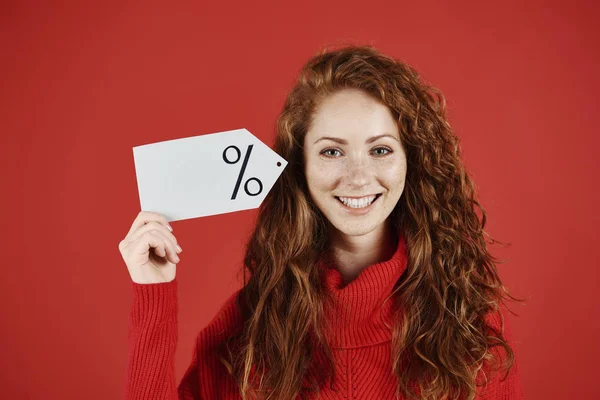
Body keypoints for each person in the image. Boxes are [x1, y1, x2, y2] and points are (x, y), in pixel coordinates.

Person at [119, 44, 526, 400]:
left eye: (381, 150)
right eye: (332, 152)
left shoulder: (466, 326)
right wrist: (153, 296)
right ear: (300, 166)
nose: (358, 177)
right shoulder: (250, 327)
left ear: (410, 161)